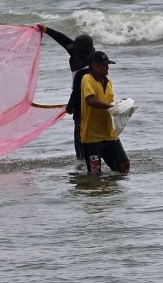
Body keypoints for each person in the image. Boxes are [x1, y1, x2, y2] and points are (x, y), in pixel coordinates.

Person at [38, 24, 95, 159]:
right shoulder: (93, 59)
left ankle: (82, 159)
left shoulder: (80, 64)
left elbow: (77, 91)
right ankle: (92, 156)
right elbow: (64, 40)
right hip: (95, 99)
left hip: (82, 100)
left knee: (80, 130)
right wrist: (46, 29)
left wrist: (70, 107)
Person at [79, 51, 130, 176]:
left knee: (123, 166)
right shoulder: (87, 79)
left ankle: (110, 190)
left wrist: (120, 104)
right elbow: (90, 100)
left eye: (108, 65)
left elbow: (108, 102)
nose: (107, 67)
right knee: (95, 173)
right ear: (94, 65)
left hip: (109, 133)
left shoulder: (108, 82)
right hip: (92, 136)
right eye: (104, 65)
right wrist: (111, 106)